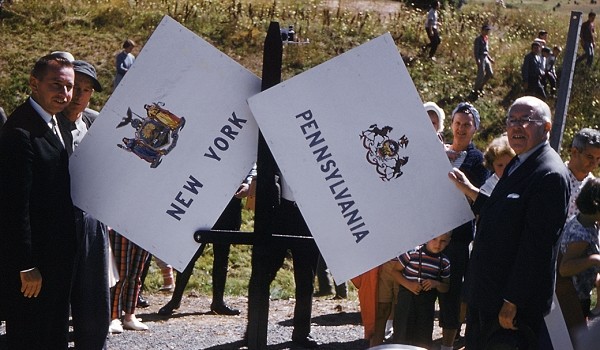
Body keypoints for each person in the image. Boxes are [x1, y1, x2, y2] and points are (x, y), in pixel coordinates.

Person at [448, 96, 570, 349]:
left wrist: (513, 301)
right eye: (511, 120)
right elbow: (501, 213)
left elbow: (537, 248)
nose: (516, 126)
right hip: (487, 296)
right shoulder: (519, 161)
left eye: (526, 120)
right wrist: (470, 190)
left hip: (509, 308)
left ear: (546, 127)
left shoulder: (549, 174)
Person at [0, 54, 77, 349]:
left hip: (55, 261)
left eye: (69, 87)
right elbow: (12, 206)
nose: (64, 94)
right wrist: (25, 264)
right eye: (56, 85)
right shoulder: (20, 132)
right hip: (35, 269)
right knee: (31, 336)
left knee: (53, 335)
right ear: (34, 83)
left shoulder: (52, 123)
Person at [56, 59, 110, 350]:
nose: (79, 95)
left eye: (87, 89)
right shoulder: (49, 123)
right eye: (75, 87)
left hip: (91, 219)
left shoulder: (95, 121)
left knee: (93, 300)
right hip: (59, 221)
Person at [158, 176, 254, 317]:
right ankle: (175, 300)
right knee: (191, 252)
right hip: (204, 199)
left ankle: (218, 302)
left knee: (222, 255)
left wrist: (248, 183)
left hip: (230, 202)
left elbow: (251, 165)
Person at [246, 174, 321, 348]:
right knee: (263, 274)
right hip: (278, 212)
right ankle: (253, 329)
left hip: (309, 211)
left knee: (306, 279)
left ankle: (302, 333)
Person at [440, 102, 489, 350]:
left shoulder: (479, 160)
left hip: (458, 238)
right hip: (429, 235)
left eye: (466, 125)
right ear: (451, 125)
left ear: (475, 129)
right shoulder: (438, 151)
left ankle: (447, 345)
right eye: (457, 123)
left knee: (451, 295)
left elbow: (479, 198)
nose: (460, 129)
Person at [383, 232, 451, 348]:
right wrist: (409, 284)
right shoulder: (412, 253)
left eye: (443, 241)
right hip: (406, 301)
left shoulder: (444, 262)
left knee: (422, 338)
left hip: (426, 305)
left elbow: (446, 287)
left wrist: (436, 283)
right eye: (434, 239)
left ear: (449, 241)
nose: (437, 244)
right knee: (402, 335)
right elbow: (395, 272)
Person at [556, 178, 600, 347]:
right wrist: (594, 260)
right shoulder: (580, 235)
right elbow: (564, 268)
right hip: (572, 299)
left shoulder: (585, 221)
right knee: (573, 343)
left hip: (578, 296)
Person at [108, 231, 150, 333]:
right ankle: (113, 318)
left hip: (146, 226)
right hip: (122, 224)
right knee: (120, 273)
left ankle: (130, 315)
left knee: (136, 273)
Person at [565, 128, 600, 219]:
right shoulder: (557, 176)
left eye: (598, 158)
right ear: (575, 152)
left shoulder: (593, 188)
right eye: (590, 157)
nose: (594, 163)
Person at [472, 24, 495, 99]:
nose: (487, 32)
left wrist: (490, 59)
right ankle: (475, 90)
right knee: (480, 75)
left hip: (486, 57)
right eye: (486, 30)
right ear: (482, 30)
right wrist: (477, 60)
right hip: (481, 57)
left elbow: (486, 51)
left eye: (488, 31)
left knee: (489, 73)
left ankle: (480, 86)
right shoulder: (478, 39)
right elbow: (476, 51)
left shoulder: (486, 38)